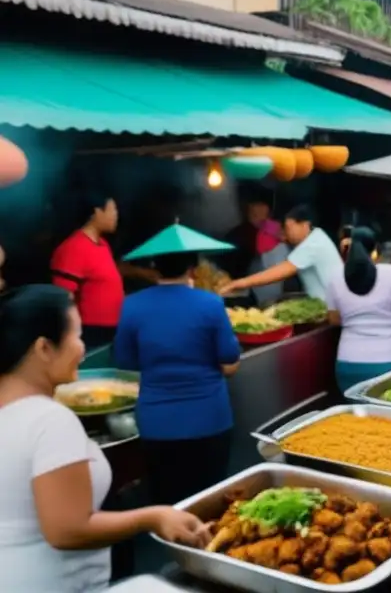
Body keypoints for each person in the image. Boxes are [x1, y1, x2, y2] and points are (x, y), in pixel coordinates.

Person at [0, 285, 208, 592]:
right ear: (44, 348)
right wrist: (152, 517)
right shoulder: (49, 419)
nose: (82, 349)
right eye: (77, 336)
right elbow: (66, 530)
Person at [112, 226, 240, 505]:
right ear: (194, 267)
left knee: (167, 499)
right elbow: (229, 357)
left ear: (155, 267)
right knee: (212, 499)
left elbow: (124, 360)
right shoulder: (210, 303)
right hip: (209, 418)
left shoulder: (132, 306)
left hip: (157, 423)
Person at [327, 227, 391, 392]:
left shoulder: (335, 277)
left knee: (355, 416)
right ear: (375, 250)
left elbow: (333, 319)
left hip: (347, 364)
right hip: (388, 363)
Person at [219, 204, 342, 302]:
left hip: (331, 309)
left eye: (289, 228)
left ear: (305, 225)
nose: (286, 234)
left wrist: (241, 283)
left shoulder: (313, 244)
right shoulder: (316, 236)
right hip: (325, 306)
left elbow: (280, 271)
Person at [50, 194, 125, 351]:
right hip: (89, 334)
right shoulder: (73, 248)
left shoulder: (103, 244)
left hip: (112, 330)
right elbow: (62, 298)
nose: (116, 215)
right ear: (97, 212)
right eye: (113, 210)